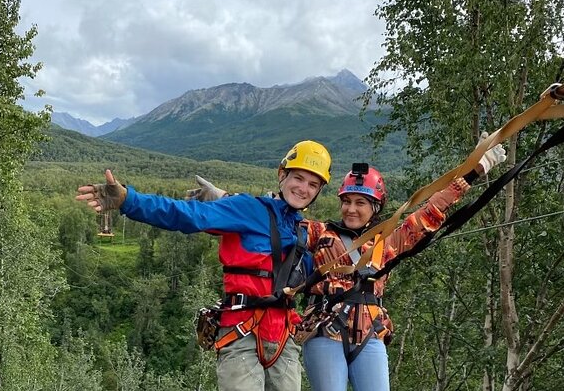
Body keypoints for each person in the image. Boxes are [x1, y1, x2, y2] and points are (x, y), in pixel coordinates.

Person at [186, 134, 507, 391]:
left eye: (361, 203)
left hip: (370, 334)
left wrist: (476, 169)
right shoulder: (317, 234)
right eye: (348, 201)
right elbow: (271, 219)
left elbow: (429, 213)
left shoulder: (387, 243)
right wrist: (223, 199)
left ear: (376, 208)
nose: (352, 209)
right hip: (325, 333)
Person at [76, 140, 333, 391]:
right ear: (282, 175)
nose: (303, 188)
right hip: (243, 333)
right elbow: (188, 214)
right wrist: (128, 200)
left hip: (283, 339)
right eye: (298, 178)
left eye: (313, 184)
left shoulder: (304, 231)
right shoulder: (248, 209)